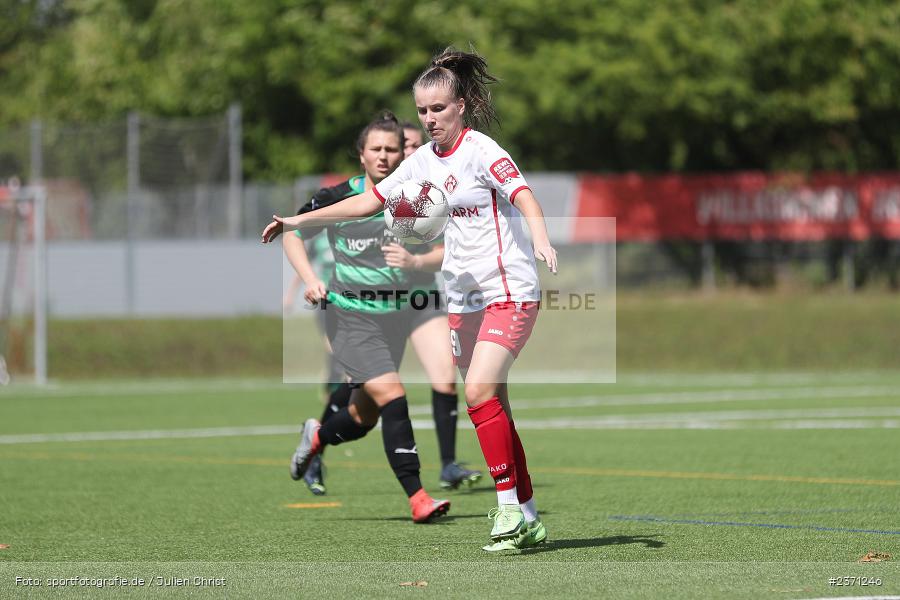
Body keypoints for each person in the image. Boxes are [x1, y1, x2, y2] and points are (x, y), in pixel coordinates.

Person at [264, 47, 558, 551]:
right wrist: (299, 221)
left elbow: (524, 195)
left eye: (438, 109)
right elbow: (366, 202)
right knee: (495, 407)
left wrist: (541, 237)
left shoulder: (482, 150)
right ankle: (528, 514)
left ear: (461, 105)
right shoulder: (421, 160)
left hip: (508, 288)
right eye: (422, 111)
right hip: (462, 298)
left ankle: (508, 511)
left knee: (477, 394)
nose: (429, 118)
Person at [282, 111, 452, 523]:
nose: (383, 156)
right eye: (375, 149)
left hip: (395, 316)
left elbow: (449, 249)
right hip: (351, 316)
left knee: (362, 417)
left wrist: (416, 260)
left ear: (403, 155)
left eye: (391, 149)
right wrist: (309, 279)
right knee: (394, 397)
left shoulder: (418, 200)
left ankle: (317, 436)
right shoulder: (338, 197)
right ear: (361, 155)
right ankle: (418, 497)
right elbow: (292, 232)